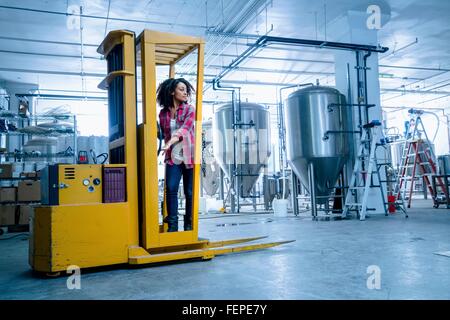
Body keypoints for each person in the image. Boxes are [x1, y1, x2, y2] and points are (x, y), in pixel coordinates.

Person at [157, 78, 196, 232]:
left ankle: (189, 224)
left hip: (189, 154)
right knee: (171, 188)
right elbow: (162, 134)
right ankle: (172, 225)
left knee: (189, 192)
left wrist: (169, 143)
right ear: (172, 91)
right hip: (173, 156)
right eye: (181, 89)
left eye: (186, 89)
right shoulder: (163, 113)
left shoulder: (190, 109)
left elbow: (184, 130)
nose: (185, 92)